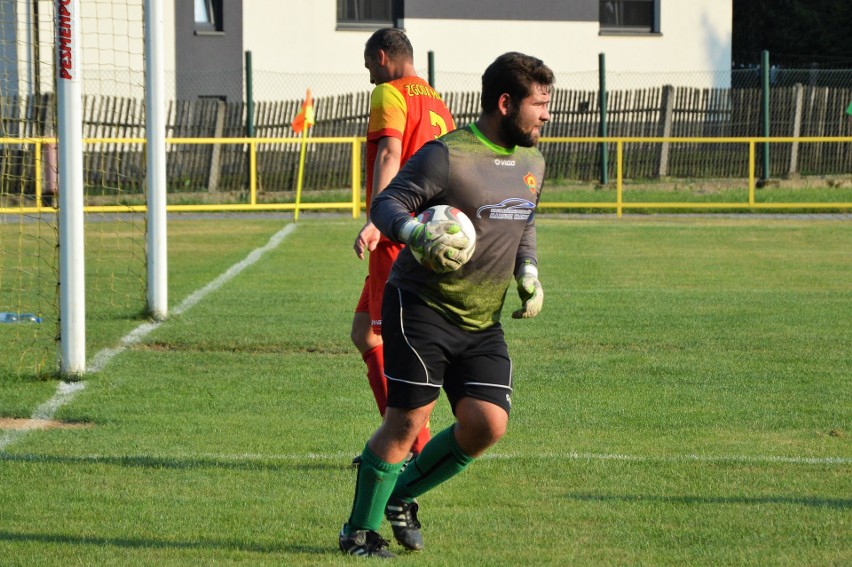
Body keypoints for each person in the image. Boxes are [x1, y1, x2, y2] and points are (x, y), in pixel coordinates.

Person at [338, 51, 554, 558]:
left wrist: (529, 272)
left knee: (487, 423)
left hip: (482, 320)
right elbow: (387, 203)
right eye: (539, 104)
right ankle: (358, 534)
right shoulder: (448, 155)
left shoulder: (533, 162)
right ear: (506, 103)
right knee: (407, 420)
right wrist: (415, 232)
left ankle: (401, 496)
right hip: (420, 308)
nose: (546, 115)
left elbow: (524, 220)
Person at [350, 28, 456, 464]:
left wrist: (378, 216)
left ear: (382, 57)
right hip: (426, 231)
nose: (369, 74)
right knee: (364, 333)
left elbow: (391, 152)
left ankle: (414, 448)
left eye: (369, 65)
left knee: (396, 348)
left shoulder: (389, 94)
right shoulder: (438, 102)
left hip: (397, 234)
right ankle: (398, 443)